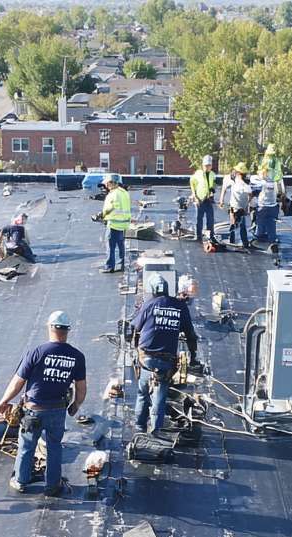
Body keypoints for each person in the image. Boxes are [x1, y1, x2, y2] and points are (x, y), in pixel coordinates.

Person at [0, 311, 87, 497]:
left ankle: (21, 481)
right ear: (67, 330)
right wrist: (76, 404)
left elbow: (18, 382)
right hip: (57, 410)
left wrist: (4, 402)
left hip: (33, 411)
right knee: (54, 447)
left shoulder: (37, 352)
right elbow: (81, 387)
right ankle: (52, 485)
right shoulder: (77, 356)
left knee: (27, 446)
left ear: (50, 327)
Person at [132, 275, 198, 434]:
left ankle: (139, 426)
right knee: (160, 396)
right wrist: (193, 356)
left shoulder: (149, 304)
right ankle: (155, 431)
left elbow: (135, 328)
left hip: (146, 358)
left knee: (142, 393)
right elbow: (190, 334)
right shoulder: (180, 306)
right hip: (166, 361)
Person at [100, 174, 131, 273]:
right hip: (123, 223)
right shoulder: (124, 192)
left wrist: (101, 215)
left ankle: (109, 266)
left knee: (110, 245)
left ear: (111, 183)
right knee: (120, 245)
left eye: (107, 184)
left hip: (114, 223)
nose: (106, 186)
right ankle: (120, 265)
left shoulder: (113, 194)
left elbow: (110, 208)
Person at [189, 155, 218, 243]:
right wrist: (194, 196)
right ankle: (198, 236)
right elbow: (192, 183)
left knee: (210, 219)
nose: (207, 167)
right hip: (199, 199)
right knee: (199, 219)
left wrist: (212, 190)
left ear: (211, 166)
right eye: (206, 165)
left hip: (208, 199)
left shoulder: (212, 174)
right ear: (202, 165)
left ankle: (210, 236)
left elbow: (213, 184)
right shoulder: (198, 174)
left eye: (209, 165)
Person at [224, 164, 253, 248]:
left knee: (237, 224)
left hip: (238, 208)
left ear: (239, 173)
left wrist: (246, 205)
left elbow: (250, 195)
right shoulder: (240, 183)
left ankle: (237, 242)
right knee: (239, 224)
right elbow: (250, 195)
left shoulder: (240, 184)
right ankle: (241, 242)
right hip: (238, 207)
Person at [254, 171, 281, 249]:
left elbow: (253, 191)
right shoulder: (276, 182)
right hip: (273, 206)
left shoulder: (261, 182)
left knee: (260, 223)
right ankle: (272, 239)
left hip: (262, 206)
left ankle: (259, 237)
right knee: (272, 224)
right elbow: (280, 192)